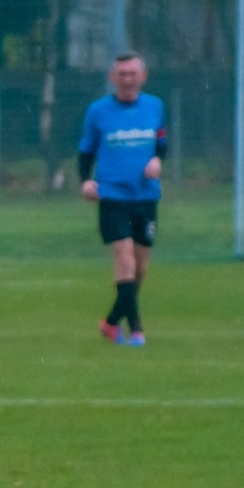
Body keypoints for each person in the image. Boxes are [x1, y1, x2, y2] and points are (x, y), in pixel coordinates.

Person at [79, 52, 166, 347]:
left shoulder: (155, 106)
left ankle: (111, 322)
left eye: (133, 74)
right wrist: (86, 181)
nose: (127, 79)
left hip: (146, 197)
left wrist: (157, 161)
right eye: (122, 74)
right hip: (113, 196)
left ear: (143, 76)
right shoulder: (98, 111)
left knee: (140, 269)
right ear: (112, 78)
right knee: (125, 261)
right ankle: (137, 330)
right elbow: (86, 152)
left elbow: (161, 144)